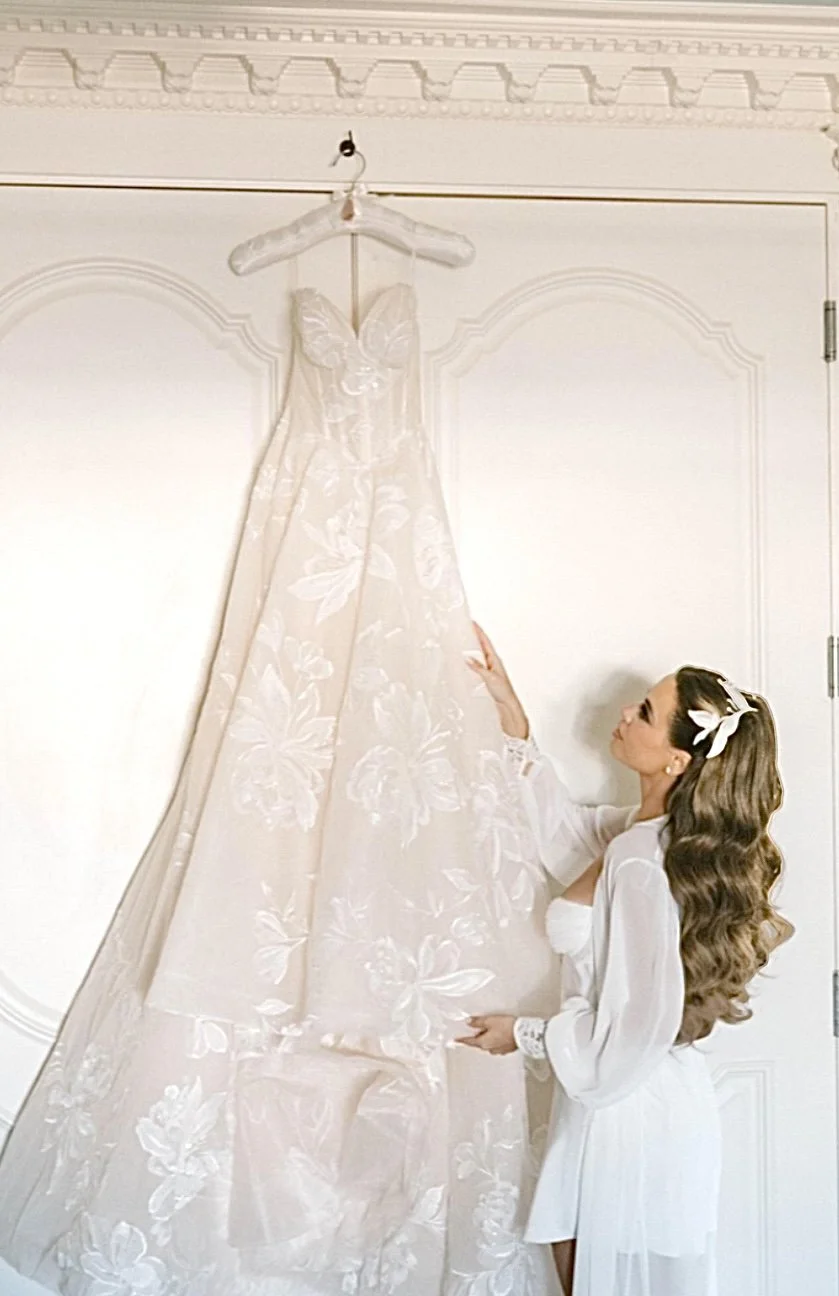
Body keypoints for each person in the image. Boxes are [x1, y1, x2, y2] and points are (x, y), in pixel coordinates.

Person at [457, 623, 793, 1296]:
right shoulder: (636, 836)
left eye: (644, 712)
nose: (623, 714)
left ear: (676, 761)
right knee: (581, 1261)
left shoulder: (644, 859)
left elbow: (642, 1017)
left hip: (628, 1103)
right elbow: (557, 831)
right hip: (623, 1096)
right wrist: (511, 716)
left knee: (594, 1271)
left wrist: (521, 1034)